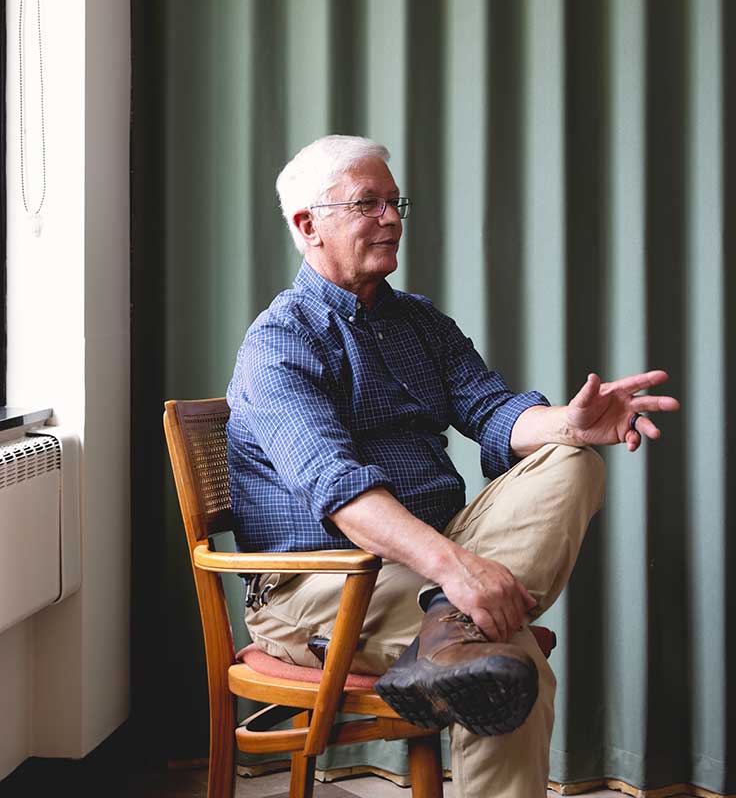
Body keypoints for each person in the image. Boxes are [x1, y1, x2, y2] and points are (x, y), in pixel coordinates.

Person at [226, 135, 678, 798]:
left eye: (394, 201)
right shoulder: (279, 344)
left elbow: (493, 412)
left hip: (423, 562)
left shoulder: (419, 322)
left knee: (572, 461)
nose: (392, 218)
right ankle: (459, 621)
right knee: (507, 656)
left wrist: (570, 424)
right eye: (367, 204)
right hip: (322, 586)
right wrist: (457, 572)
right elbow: (340, 491)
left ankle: (451, 623)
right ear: (307, 226)